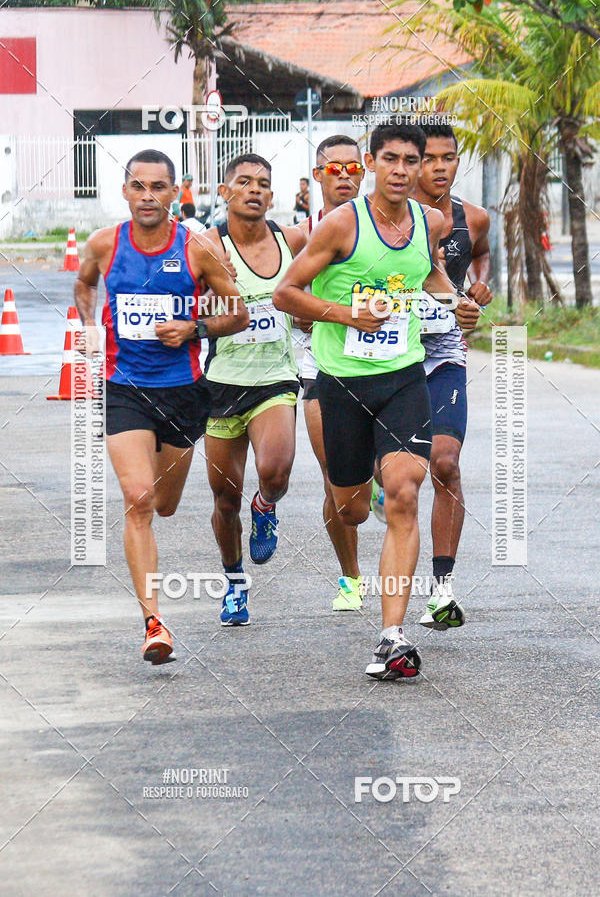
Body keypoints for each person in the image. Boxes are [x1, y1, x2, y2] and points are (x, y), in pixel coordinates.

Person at [274, 123, 480, 680]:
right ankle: (358, 494)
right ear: (371, 163)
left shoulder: (429, 221)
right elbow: (285, 292)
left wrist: (458, 304)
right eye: (389, 158)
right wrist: (347, 315)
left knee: (405, 494)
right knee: (352, 508)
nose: (400, 169)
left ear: (417, 170)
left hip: (402, 376)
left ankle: (393, 636)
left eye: (410, 161)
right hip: (341, 383)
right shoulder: (342, 225)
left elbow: (430, 273)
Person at [74, 149, 248, 665]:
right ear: (124, 191)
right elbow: (84, 284)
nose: (147, 197)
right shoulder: (105, 244)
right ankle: (154, 621)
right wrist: (88, 327)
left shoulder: (196, 249)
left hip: (183, 392)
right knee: (138, 498)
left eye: (158, 187)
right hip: (124, 386)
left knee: (165, 503)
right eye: (137, 186)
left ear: (176, 193)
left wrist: (195, 327)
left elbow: (236, 310)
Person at [374, 123, 492, 632]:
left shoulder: (475, 218)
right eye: (430, 159)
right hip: (390, 355)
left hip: (444, 352)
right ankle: (381, 484)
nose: (439, 168)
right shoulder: (383, 217)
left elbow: (479, 259)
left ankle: (441, 588)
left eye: (449, 157)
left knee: (444, 461)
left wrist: (478, 289)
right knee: (393, 481)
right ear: (411, 162)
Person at [202, 153, 306, 626]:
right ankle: (235, 583)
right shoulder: (203, 246)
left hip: (275, 380)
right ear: (225, 192)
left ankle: (265, 507)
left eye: (263, 183)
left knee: (276, 471)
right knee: (225, 500)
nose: (255, 189)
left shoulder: (293, 240)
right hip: (222, 384)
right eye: (243, 182)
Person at [295, 134, 366, 611]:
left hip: (382, 365)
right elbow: (283, 295)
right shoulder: (300, 235)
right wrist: (324, 312)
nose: (344, 176)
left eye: (353, 168)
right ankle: (351, 578)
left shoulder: (392, 229)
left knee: (391, 471)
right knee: (333, 476)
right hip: (317, 366)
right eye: (332, 169)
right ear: (316, 177)